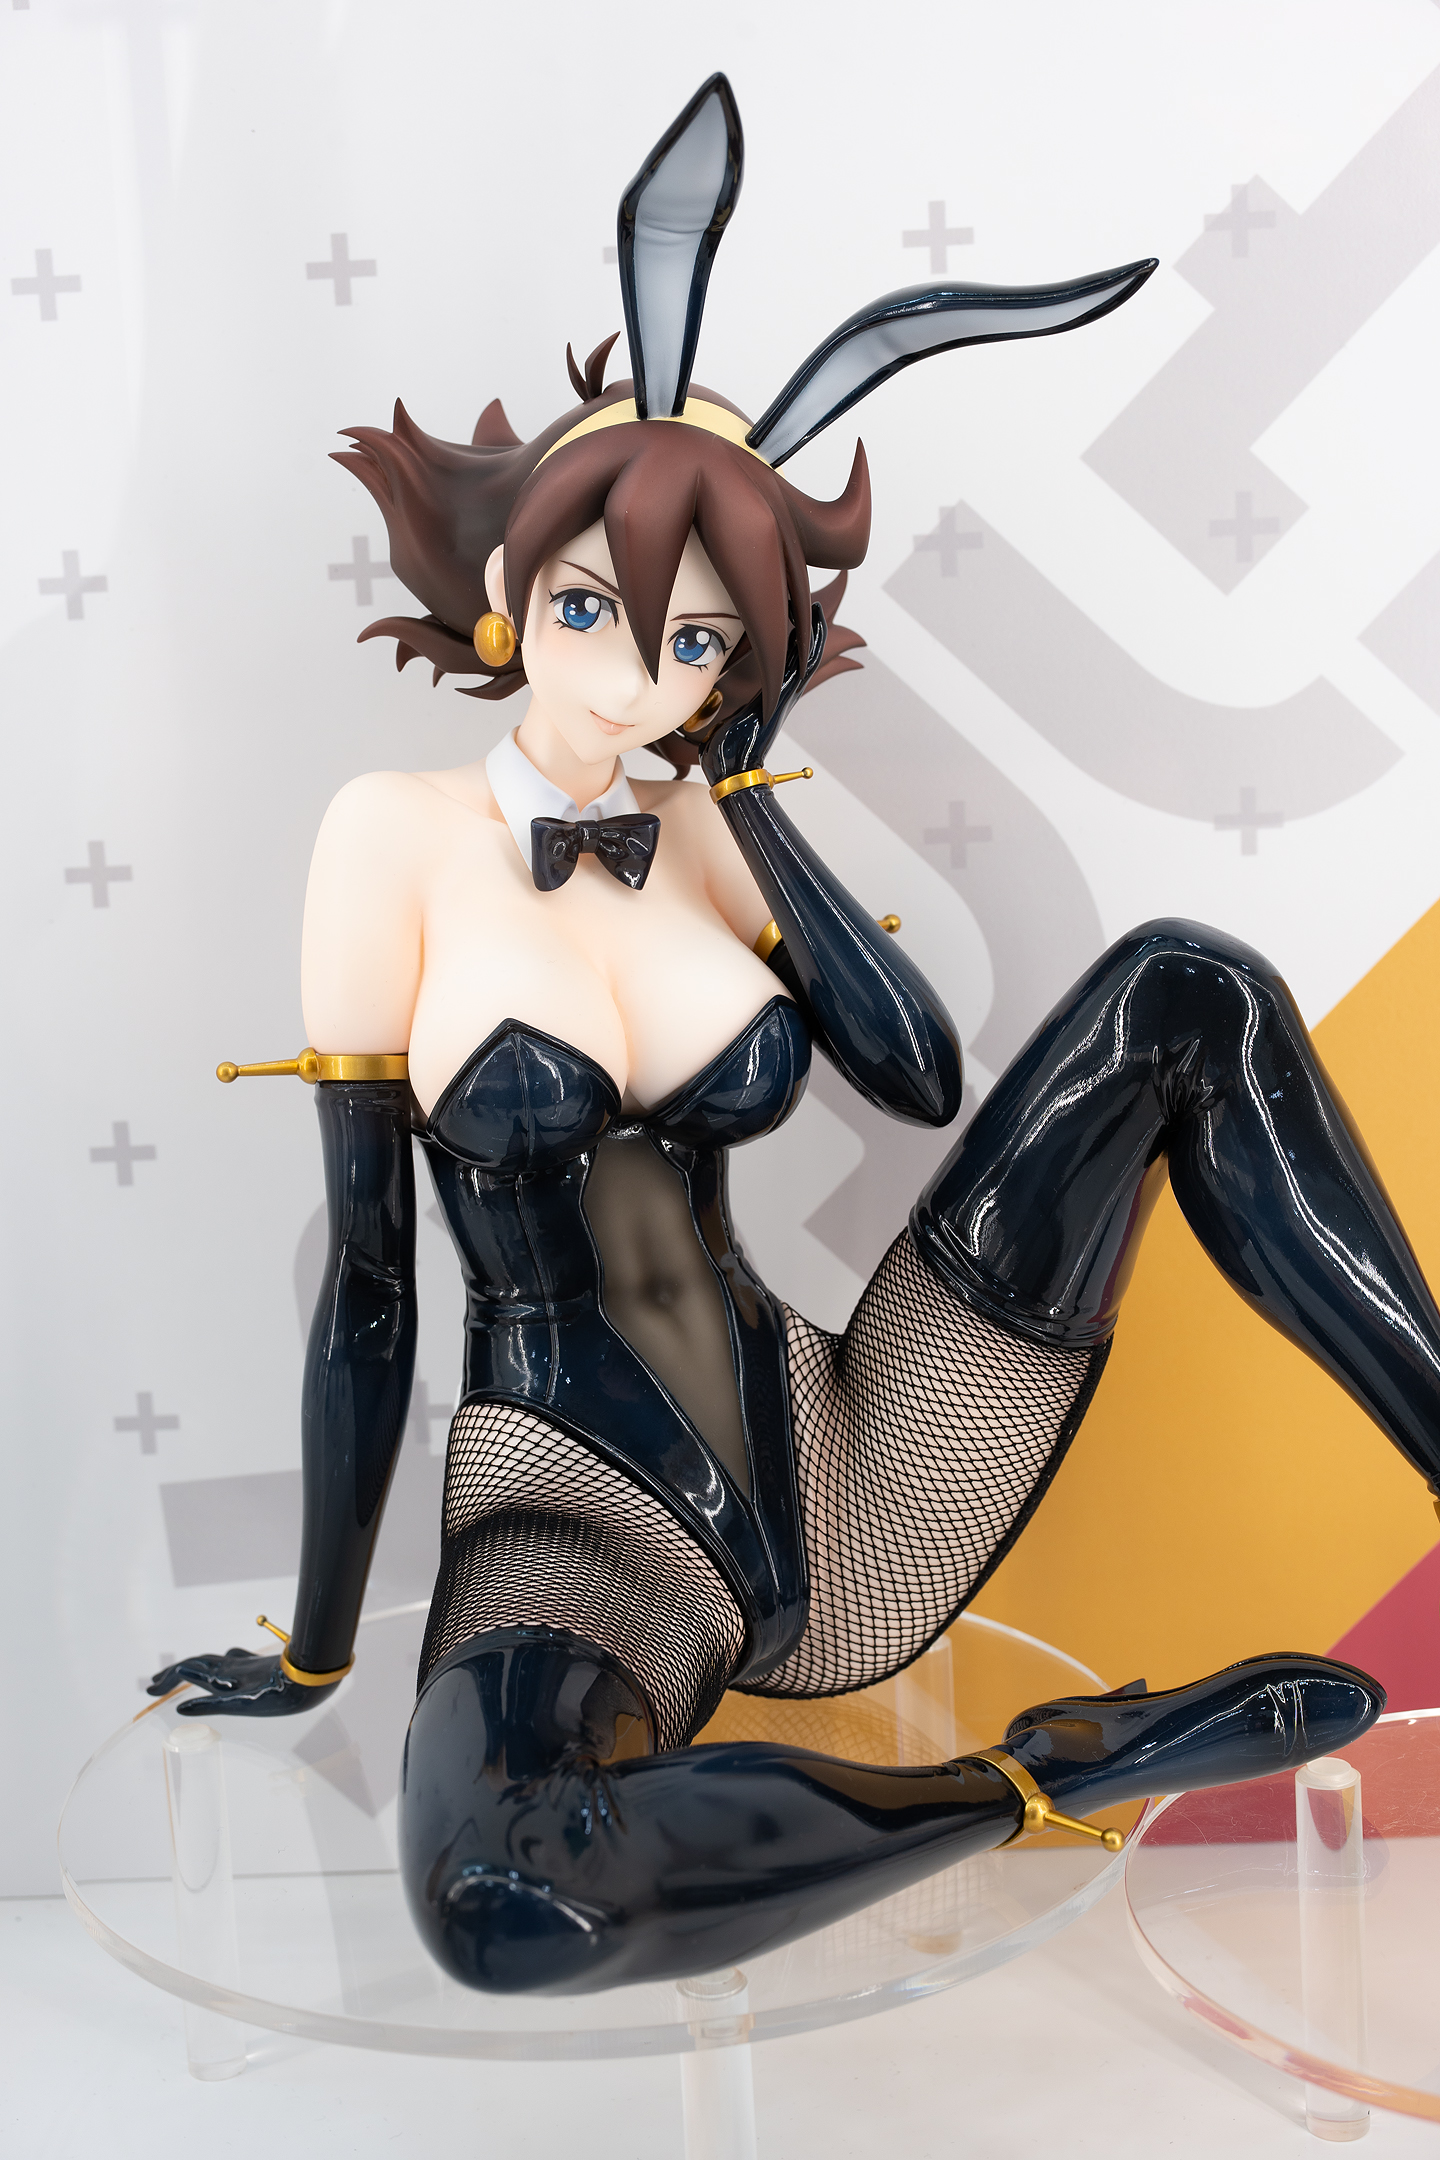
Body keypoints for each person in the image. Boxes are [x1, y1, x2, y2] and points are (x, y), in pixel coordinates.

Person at [151, 78, 1425, 1995]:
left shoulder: (701, 822)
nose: (636, 679)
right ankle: (1060, 1773)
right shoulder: (387, 839)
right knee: (509, 1902)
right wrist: (323, 1646)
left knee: (1191, 987)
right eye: (598, 610)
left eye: (693, 643)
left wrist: (748, 797)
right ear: (512, 590)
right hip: (580, 1521)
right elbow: (371, 1286)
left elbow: (917, 1077)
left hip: (854, 1464)